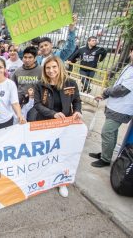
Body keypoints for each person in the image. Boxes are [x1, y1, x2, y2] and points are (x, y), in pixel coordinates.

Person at [33, 56, 82, 197]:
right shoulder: (39, 84)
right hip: (44, 125)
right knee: (45, 154)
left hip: (65, 127)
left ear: (59, 67)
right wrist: (53, 114)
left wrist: (78, 111)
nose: (51, 70)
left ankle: (62, 182)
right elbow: (37, 105)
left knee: (63, 154)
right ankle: (42, 178)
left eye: (54, 67)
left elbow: (77, 101)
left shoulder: (71, 83)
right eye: (48, 68)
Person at [90, 49, 133, 168]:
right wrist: (105, 95)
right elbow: (118, 84)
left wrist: (106, 91)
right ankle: (105, 154)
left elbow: (121, 90)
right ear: (130, 52)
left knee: (107, 132)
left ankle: (105, 159)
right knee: (112, 133)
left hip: (122, 109)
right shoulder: (129, 67)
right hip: (115, 106)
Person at [11, 46, 42, 121]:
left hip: (35, 104)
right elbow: (12, 87)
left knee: (31, 121)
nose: (27, 60)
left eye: (30, 57)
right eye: (25, 57)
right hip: (20, 103)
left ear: (35, 58)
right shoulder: (17, 71)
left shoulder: (41, 71)